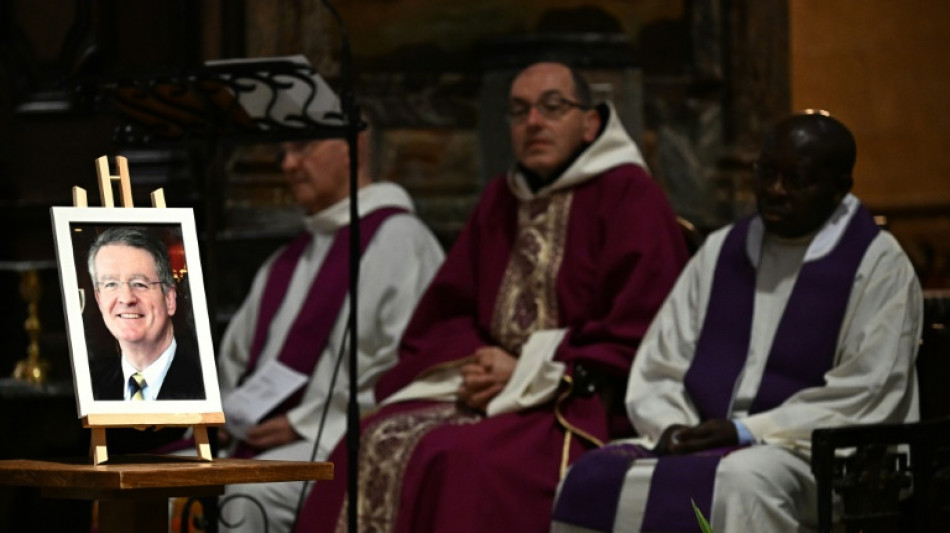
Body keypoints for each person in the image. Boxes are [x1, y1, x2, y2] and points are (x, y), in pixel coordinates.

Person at [293, 61, 689, 533]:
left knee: (465, 461)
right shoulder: (501, 197)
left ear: (590, 123)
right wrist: (479, 363)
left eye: (552, 107)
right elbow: (449, 310)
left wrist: (528, 368)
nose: (533, 122)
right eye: (519, 111)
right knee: (366, 439)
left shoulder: (630, 195)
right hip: (489, 389)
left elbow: (643, 329)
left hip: (572, 397)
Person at [550, 111, 922, 533]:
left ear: (840, 187)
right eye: (766, 173)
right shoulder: (722, 250)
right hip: (711, 443)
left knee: (741, 484)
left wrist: (746, 431)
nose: (775, 190)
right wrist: (674, 426)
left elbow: (867, 390)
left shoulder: (877, 263)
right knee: (589, 479)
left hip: (821, 459)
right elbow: (663, 361)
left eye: (797, 179)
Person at [213, 119, 445, 533]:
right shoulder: (285, 261)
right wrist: (228, 416)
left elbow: (414, 367)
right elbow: (232, 361)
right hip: (255, 441)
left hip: (342, 441)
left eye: (303, 147)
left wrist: (302, 422)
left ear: (355, 144)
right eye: (283, 152)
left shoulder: (403, 241)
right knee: (147, 483)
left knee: (248, 492)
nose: (288, 164)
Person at [87, 226, 205, 401]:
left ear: (169, 299)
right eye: (111, 284)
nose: (126, 298)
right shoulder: (92, 388)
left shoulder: (206, 384)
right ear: (99, 300)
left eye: (140, 284)